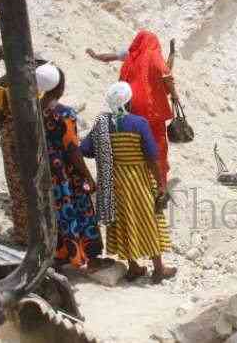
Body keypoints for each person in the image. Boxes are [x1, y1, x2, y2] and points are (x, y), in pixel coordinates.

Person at [81, 82, 177, 284]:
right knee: (149, 219)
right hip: (138, 179)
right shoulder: (139, 123)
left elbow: (86, 149)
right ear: (129, 101)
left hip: (114, 182)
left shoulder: (102, 124)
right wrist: (161, 185)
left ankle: (134, 267)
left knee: (124, 221)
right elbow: (152, 156)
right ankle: (158, 269)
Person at [36, 63, 102, 268]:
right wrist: (89, 177)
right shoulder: (64, 113)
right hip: (65, 172)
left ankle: (59, 253)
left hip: (43, 168)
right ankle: (79, 254)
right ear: (60, 87)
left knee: (52, 210)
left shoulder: (33, 109)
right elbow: (73, 149)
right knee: (73, 209)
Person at [0, 49, 48, 245]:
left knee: (18, 185)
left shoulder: (0, 84)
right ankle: (43, 232)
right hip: (32, 134)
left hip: (10, 135)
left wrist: (8, 134)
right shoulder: (32, 83)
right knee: (38, 182)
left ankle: (25, 235)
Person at [113, 31, 180, 187]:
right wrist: (175, 95)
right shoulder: (152, 53)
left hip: (131, 108)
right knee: (158, 145)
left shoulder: (130, 59)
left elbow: (121, 83)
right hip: (151, 109)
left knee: (139, 146)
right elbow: (165, 74)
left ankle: (141, 183)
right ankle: (159, 184)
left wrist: (172, 55)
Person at [87, 38, 176, 72]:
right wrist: (172, 52)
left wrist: (95, 56)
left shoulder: (130, 52)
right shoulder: (154, 58)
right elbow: (167, 70)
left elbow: (108, 57)